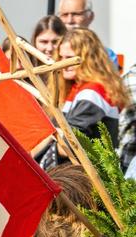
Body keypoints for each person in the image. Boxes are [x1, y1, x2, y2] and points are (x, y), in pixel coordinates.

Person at [39, 28, 131, 169]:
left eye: (69, 58)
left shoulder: (93, 92)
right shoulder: (77, 89)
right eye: (61, 58)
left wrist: (39, 154)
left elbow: (71, 144)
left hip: (88, 181)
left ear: (88, 59)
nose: (63, 64)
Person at [57, 0, 119, 68]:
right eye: (65, 15)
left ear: (90, 17)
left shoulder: (105, 55)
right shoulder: (52, 49)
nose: (70, 20)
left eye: (76, 14)